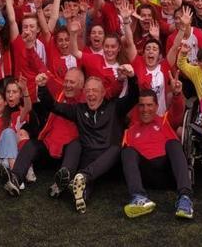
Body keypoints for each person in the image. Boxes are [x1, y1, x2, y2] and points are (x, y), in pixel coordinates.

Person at [37, 68, 139, 214]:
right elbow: (53, 106)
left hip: (108, 160)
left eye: (95, 91)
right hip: (87, 159)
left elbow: (134, 96)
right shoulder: (78, 109)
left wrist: (132, 77)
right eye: (88, 91)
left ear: (103, 93)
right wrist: (42, 87)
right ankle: (77, 188)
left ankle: (80, 179)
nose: (91, 94)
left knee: (116, 149)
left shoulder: (115, 107)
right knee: (78, 149)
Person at [2, 69, 84, 197]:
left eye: (72, 82)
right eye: (66, 81)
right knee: (31, 145)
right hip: (49, 145)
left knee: (75, 146)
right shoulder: (60, 94)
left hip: (68, 151)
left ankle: (61, 183)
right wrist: (42, 86)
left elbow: (53, 105)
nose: (67, 85)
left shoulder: (84, 103)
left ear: (81, 85)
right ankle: (16, 179)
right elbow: (48, 102)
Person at [121, 89, 193, 220]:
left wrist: (177, 95)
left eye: (149, 105)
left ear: (156, 106)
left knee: (174, 143)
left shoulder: (165, 120)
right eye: (142, 105)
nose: (145, 109)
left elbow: (177, 111)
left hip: (168, 173)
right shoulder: (131, 130)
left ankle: (185, 199)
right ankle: (138, 197)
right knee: (127, 150)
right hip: (146, 176)